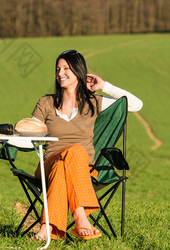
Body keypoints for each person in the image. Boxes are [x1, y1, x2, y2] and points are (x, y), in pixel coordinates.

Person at [30, 49, 143, 241]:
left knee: (65, 164)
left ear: (79, 72)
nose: (60, 73)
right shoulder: (46, 103)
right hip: (47, 164)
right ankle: (80, 215)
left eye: (66, 68)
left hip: (83, 170)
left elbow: (134, 104)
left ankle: (47, 228)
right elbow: (29, 131)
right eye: (58, 69)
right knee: (73, 152)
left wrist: (104, 85)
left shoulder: (93, 102)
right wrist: (4, 139)